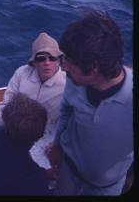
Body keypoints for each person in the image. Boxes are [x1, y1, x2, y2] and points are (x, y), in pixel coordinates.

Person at [48, 10, 133, 195]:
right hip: (68, 172)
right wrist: (56, 146)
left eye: (69, 61)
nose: (64, 67)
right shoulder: (74, 79)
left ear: (93, 67)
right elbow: (66, 111)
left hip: (105, 188)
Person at [0, 32, 66, 172]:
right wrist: (11, 121)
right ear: (34, 62)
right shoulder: (21, 73)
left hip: (47, 128)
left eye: (52, 58)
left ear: (59, 60)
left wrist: (57, 143)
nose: (47, 63)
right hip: (12, 118)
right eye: (41, 58)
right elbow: (7, 101)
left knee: (35, 164)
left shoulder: (68, 83)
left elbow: (68, 118)